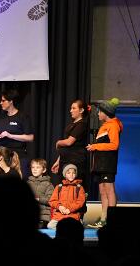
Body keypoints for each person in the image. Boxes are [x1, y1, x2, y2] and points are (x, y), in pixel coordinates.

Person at [86, 97, 122, 228]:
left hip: (108, 163)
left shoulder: (113, 125)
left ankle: (111, 219)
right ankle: (103, 218)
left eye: (100, 112)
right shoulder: (105, 125)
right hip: (100, 164)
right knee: (102, 191)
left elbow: (114, 145)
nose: (98, 114)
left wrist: (95, 146)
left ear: (106, 113)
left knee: (109, 190)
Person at [0, 89, 35, 174]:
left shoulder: (22, 117)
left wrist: (10, 135)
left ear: (11, 101)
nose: (0, 103)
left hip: (18, 155)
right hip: (2, 155)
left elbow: (30, 137)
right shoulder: (1, 117)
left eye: (3, 100)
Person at [52, 99, 90, 182]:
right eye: (71, 108)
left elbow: (69, 142)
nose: (71, 111)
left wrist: (58, 142)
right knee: (63, 185)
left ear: (81, 110)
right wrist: (58, 161)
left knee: (74, 186)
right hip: (65, 159)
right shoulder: (73, 124)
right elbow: (66, 148)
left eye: (74, 108)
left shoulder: (81, 124)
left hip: (75, 160)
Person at [48, 164, 86, 229]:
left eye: (73, 173)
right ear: (65, 174)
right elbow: (52, 201)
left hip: (73, 215)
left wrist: (70, 209)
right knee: (50, 226)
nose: (71, 175)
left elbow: (80, 202)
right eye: (68, 173)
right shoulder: (59, 187)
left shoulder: (79, 187)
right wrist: (59, 207)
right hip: (59, 216)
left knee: (75, 228)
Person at [27, 158, 54, 227]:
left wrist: (38, 199)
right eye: (33, 167)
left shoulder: (48, 184)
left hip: (42, 217)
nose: (34, 169)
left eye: (38, 167)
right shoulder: (28, 183)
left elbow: (51, 200)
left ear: (44, 170)